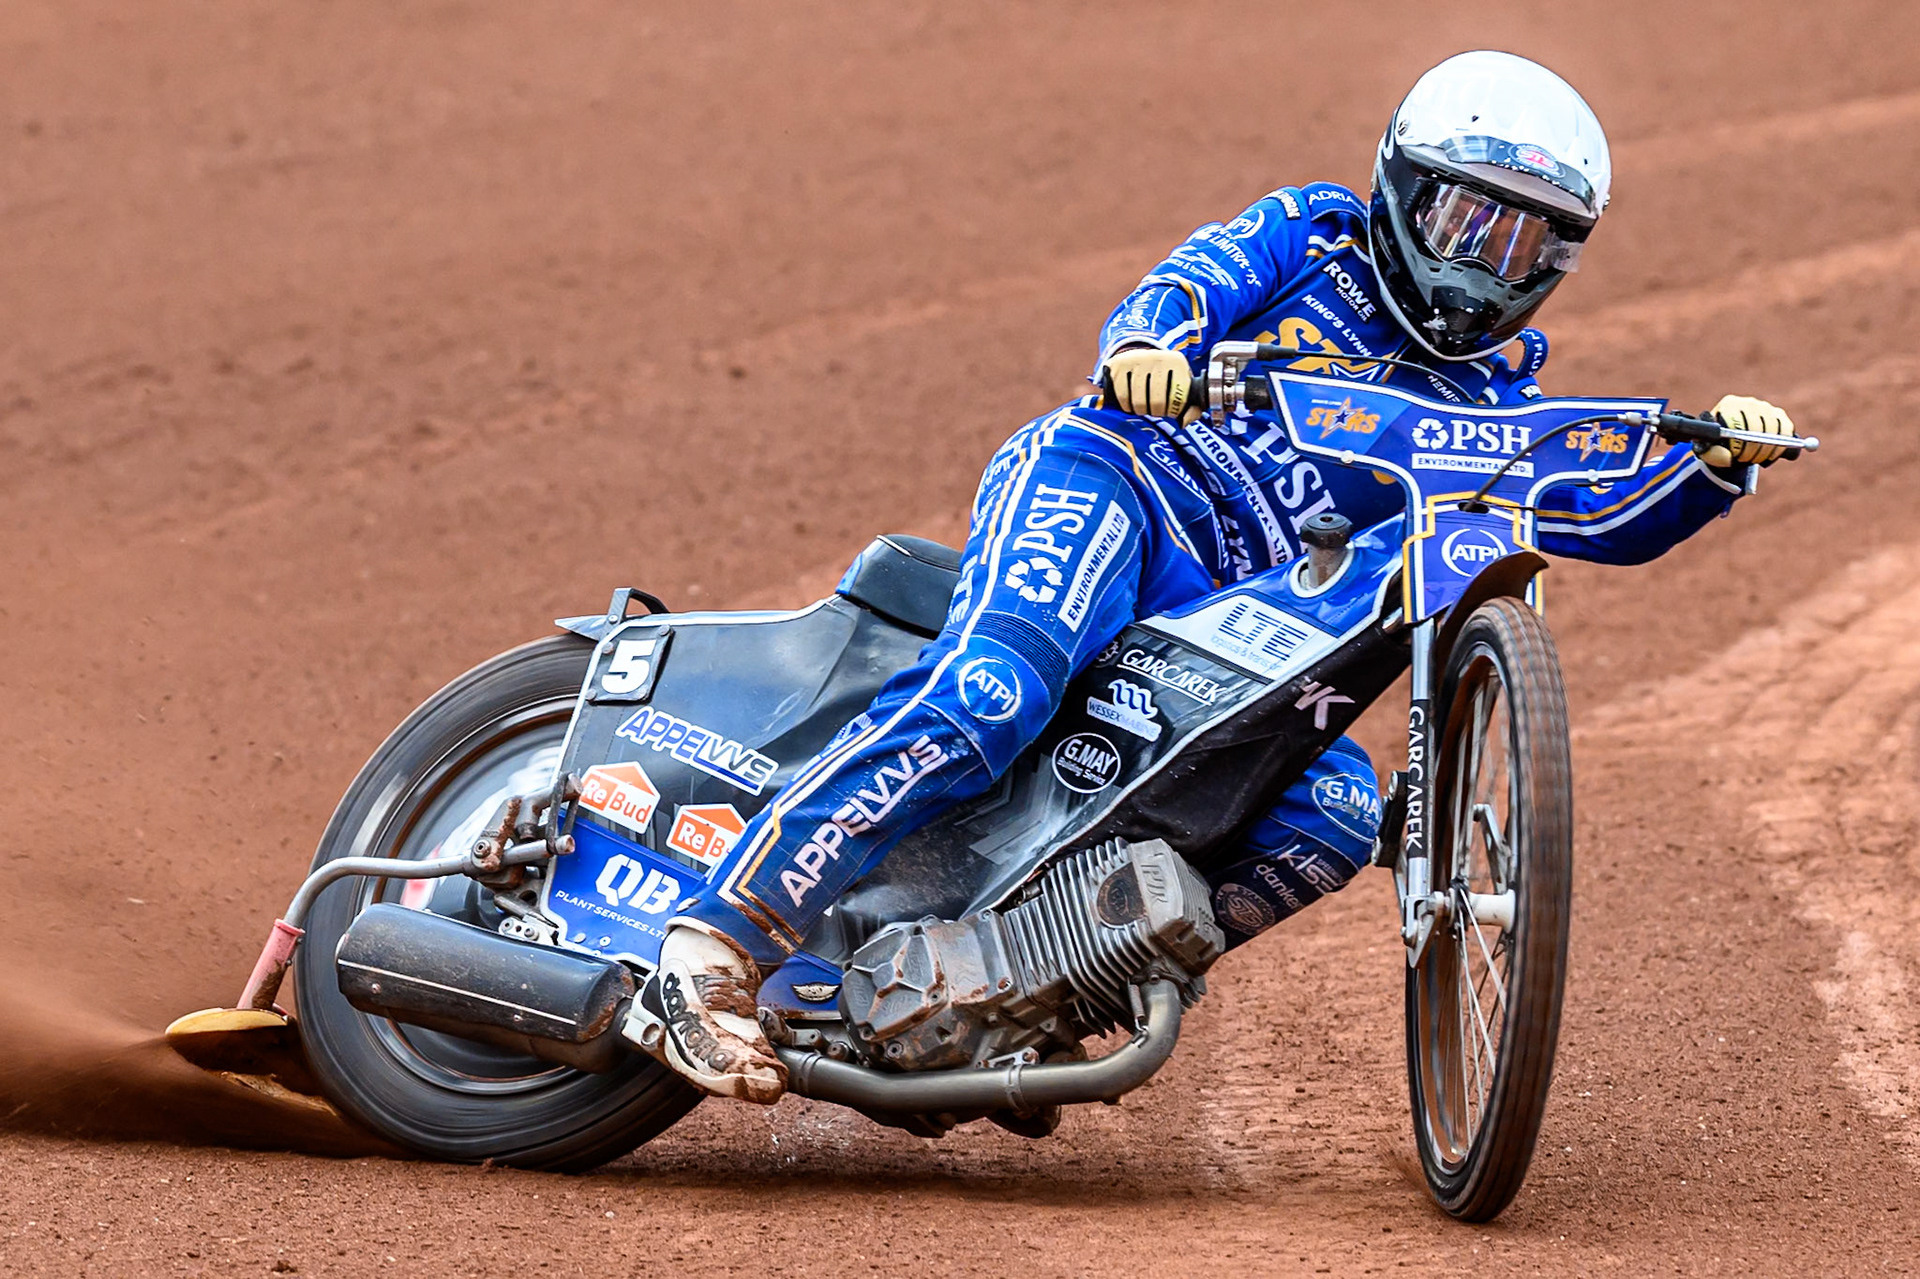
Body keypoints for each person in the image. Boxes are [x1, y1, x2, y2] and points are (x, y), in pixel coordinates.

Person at [625, 50, 1799, 1103]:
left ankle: (1038, 994)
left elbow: (1599, 518)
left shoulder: (1499, 409)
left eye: (1524, 242)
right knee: (995, 690)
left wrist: (1716, 469)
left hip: (1215, 639)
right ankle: (711, 947)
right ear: (1399, 184)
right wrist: (1143, 355)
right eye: (1463, 218)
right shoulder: (1314, 235)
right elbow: (1182, 290)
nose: (1485, 266)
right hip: (1118, 485)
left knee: (1335, 809)